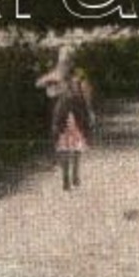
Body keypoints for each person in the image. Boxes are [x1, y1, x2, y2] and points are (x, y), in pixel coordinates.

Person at [35, 45, 95, 191]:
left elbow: (86, 92)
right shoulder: (56, 74)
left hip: (76, 112)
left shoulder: (79, 74)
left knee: (76, 143)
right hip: (60, 113)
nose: (65, 63)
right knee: (62, 145)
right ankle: (66, 178)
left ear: (72, 61)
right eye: (63, 60)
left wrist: (90, 110)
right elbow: (39, 84)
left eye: (68, 60)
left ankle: (74, 173)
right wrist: (52, 79)